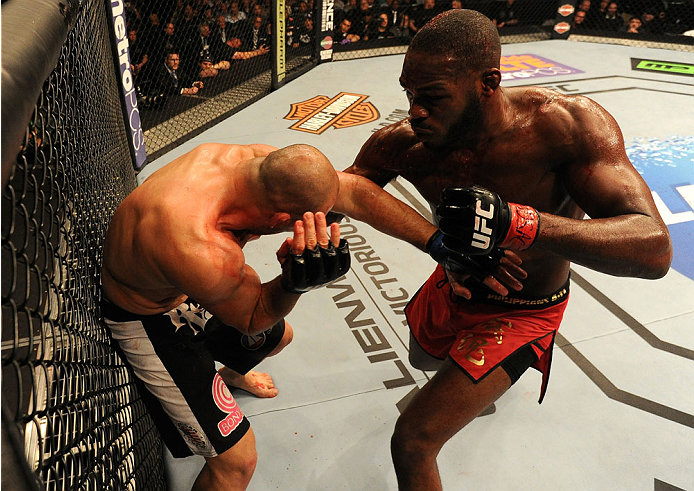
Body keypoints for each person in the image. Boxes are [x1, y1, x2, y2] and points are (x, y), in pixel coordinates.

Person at [340, 9, 672, 490]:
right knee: (424, 360)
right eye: (409, 94)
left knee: (412, 441)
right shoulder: (405, 144)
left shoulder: (564, 127)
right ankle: (476, 381)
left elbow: (654, 247)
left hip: (523, 311)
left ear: (488, 82)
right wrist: (305, 244)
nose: (414, 111)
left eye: (432, 97)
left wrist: (519, 222)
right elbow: (337, 193)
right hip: (453, 283)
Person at [101, 143, 442, 490]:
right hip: (146, 316)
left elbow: (353, 191)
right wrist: (294, 283)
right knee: (237, 463)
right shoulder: (198, 245)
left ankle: (232, 373)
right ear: (281, 221)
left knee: (282, 336)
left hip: (185, 287)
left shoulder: (256, 163)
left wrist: (437, 244)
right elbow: (251, 318)